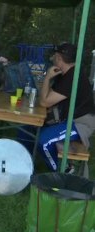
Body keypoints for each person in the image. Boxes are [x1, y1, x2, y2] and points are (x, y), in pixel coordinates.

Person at [38, 43, 95, 175]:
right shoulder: (68, 73)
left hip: (81, 124)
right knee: (34, 127)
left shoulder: (72, 77)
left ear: (58, 58)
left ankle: (60, 173)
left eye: (54, 56)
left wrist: (47, 77)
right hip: (70, 119)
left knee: (44, 141)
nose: (52, 58)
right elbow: (48, 96)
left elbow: (44, 102)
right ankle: (29, 160)